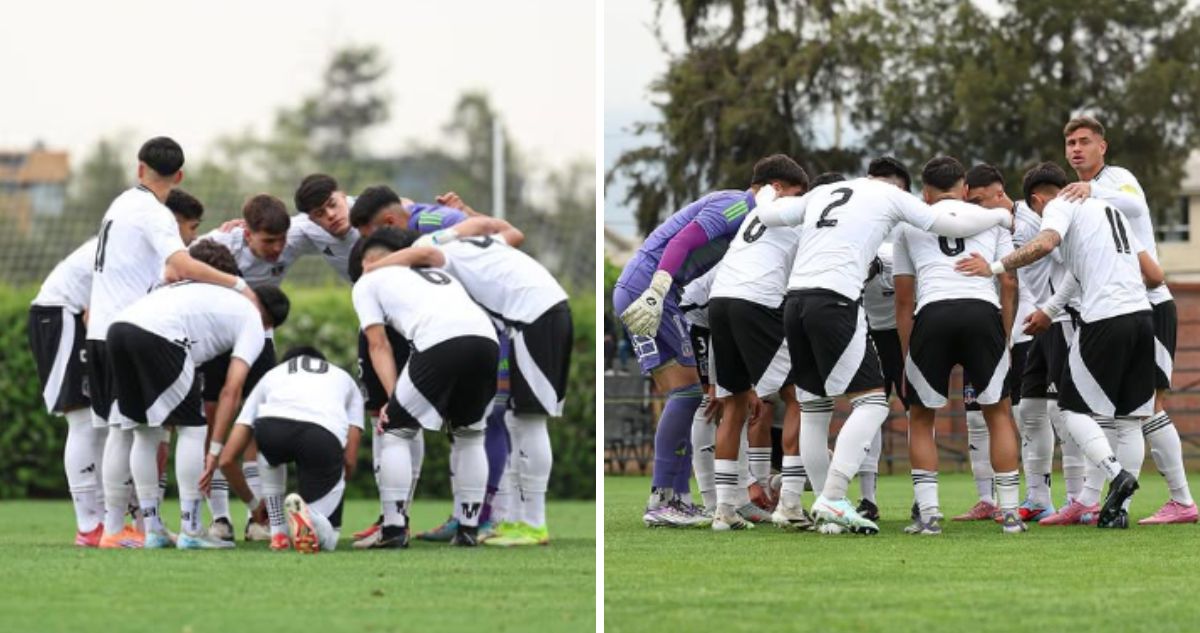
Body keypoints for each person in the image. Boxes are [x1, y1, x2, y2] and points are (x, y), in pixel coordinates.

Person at [756, 156, 1014, 535]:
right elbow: (946, 220)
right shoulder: (889, 196)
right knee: (874, 401)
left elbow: (769, 215)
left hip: (795, 301)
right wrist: (1001, 217)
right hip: (835, 299)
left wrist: (763, 192)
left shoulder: (824, 192)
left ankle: (812, 506)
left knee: (814, 409)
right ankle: (833, 496)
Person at [957, 161, 1162, 528]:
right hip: (1139, 316)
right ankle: (1105, 509)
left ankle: (1093, 491)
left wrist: (995, 267)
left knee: (1071, 410)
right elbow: (1154, 274)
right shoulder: (1109, 209)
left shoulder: (1053, 210)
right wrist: (1049, 309)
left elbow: (1048, 244)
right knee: (1118, 418)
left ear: (1036, 199)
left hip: (1091, 318)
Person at [614, 154, 807, 528]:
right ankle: (662, 499)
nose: (796, 206)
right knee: (688, 394)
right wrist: (657, 289)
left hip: (655, 290)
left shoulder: (756, 221)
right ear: (776, 188)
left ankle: (678, 498)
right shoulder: (736, 203)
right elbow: (685, 240)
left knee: (689, 395)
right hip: (651, 290)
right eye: (795, 195)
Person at [88, 137, 259, 549]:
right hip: (146, 329)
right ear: (179, 175)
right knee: (183, 427)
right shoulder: (155, 212)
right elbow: (180, 262)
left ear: (138, 167)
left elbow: (158, 266)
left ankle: (118, 529)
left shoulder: (120, 204)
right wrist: (238, 283)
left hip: (103, 332)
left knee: (124, 431)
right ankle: (189, 530)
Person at [365, 216, 571, 547]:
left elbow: (429, 256)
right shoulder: (468, 243)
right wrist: (468, 219)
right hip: (533, 314)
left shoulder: (427, 249)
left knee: (527, 420)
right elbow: (508, 230)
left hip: (532, 315)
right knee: (507, 421)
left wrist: (376, 269)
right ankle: (511, 521)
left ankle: (533, 524)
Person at [1055, 116, 1196, 525]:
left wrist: (1093, 189)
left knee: (1146, 409)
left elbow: (1136, 203)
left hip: (1150, 302)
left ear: (1103, 146)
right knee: (1116, 414)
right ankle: (1104, 501)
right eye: (1070, 143)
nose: (1076, 149)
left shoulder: (1116, 179)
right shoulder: (1075, 195)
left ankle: (1182, 501)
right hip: (1115, 307)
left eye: (1084, 141)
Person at [106, 273, 289, 549]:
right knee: (193, 428)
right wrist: (214, 452)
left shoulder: (217, 296)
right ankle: (191, 529)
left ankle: (153, 529)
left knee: (145, 433)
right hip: (159, 334)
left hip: (118, 329)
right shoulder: (254, 321)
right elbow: (232, 389)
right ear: (269, 323)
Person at [892, 157, 1023, 534]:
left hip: (932, 314)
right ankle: (1010, 513)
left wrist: (906, 354)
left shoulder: (908, 225)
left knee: (921, 417)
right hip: (983, 313)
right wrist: (1006, 337)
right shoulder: (994, 219)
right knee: (997, 412)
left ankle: (930, 515)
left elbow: (903, 300)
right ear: (965, 190)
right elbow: (1009, 284)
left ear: (925, 192)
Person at [351, 228, 500, 548]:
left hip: (439, 341)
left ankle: (392, 530)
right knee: (471, 434)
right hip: (487, 341)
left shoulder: (367, 281)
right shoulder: (437, 275)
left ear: (369, 262)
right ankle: (468, 529)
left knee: (396, 430)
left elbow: (378, 345)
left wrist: (393, 399)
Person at [704, 168, 810, 531]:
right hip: (756, 301)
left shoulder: (752, 211)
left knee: (733, 404)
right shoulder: (800, 219)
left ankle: (724, 510)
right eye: (797, 193)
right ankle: (792, 503)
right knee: (801, 395)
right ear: (784, 190)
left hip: (719, 301)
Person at [215, 346, 363, 553]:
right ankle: (311, 517)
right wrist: (335, 477)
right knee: (328, 538)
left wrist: (254, 506)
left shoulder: (271, 376)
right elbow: (349, 459)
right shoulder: (344, 378)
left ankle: (278, 533)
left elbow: (226, 460)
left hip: (271, 427)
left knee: (268, 456)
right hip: (321, 434)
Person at [28, 236, 102, 546]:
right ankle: (89, 526)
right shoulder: (132, 237)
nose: (192, 236)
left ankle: (105, 521)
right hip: (61, 314)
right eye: (190, 227)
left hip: (73, 317)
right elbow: (91, 311)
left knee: (102, 423)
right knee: (83, 419)